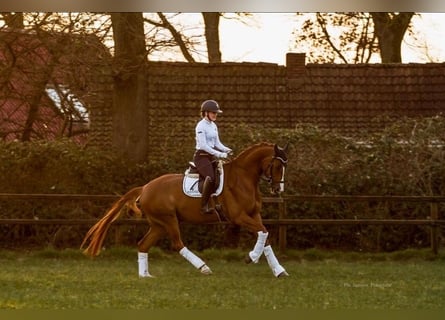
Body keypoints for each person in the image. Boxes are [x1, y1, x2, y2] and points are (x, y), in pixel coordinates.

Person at [194, 99, 232, 214]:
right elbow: (204, 146)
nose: (215, 115)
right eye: (213, 113)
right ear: (206, 113)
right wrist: (220, 154)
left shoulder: (213, 125)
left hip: (211, 157)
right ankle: (203, 207)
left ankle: (218, 203)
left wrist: (227, 150)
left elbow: (217, 143)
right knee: (210, 177)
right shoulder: (200, 126)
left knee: (222, 176)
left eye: (216, 113)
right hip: (201, 156)